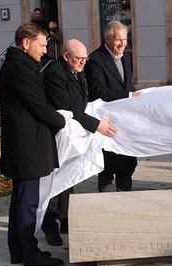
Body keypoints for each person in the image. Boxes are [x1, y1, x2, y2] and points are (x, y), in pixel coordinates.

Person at [0, 23, 67, 266]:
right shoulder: (20, 67)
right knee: (27, 202)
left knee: (20, 200)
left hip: (24, 145)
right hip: (27, 147)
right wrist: (62, 120)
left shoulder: (20, 64)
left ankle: (18, 250)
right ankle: (29, 253)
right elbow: (37, 105)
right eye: (41, 45)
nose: (44, 50)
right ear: (26, 43)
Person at [41, 39, 118, 245]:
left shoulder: (77, 72)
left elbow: (81, 105)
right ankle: (50, 227)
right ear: (66, 56)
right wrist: (96, 125)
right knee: (55, 181)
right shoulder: (56, 74)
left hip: (73, 136)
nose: (83, 63)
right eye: (79, 59)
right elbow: (67, 108)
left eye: (85, 59)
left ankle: (66, 220)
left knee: (69, 180)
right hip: (57, 136)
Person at [85, 20, 142, 192]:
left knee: (126, 169)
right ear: (107, 39)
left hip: (125, 124)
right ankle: (107, 211)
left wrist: (141, 97)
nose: (123, 44)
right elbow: (99, 92)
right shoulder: (95, 60)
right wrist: (129, 95)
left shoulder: (126, 56)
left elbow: (127, 86)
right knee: (107, 171)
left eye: (125, 39)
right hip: (107, 124)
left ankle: (125, 208)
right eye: (119, 40)